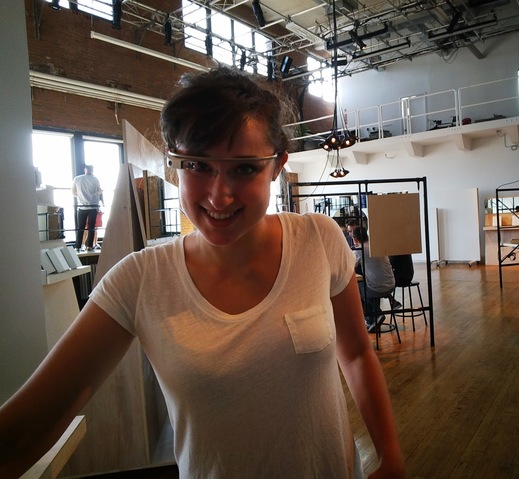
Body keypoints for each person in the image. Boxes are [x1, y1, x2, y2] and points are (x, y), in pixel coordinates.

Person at [0, 66, 405, 479]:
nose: (219, 196)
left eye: (244, 168)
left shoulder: (318, 239)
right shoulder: (139, 280)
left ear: (276, 166)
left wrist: (390, 456)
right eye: (197, 165)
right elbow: (29, 427)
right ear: (174, 163)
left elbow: (356, 354)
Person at [352, 226, 398, 332]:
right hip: (392, 285)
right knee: (369, 284)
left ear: (355, 239)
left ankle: (374, 316)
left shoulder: (360, 250)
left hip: (377, 289)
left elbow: (349, 266)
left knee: (357, 287)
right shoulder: (376, 246)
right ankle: (376, 316)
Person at [71, 164, 103, 251]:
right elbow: (99, 191)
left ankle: (78, 246)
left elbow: (73, 192)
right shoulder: (95, 179)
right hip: (93, 206)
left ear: (85, 170)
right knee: (91, 227)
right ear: (92, 170)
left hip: (82, 206)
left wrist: (80, 196)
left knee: (80, 227)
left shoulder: (77, 179)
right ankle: (89, 246)